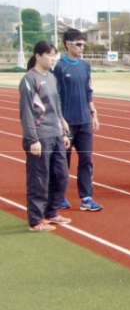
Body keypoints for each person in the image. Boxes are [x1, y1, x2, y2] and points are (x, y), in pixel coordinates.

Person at [20, 41, 72, 231]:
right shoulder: (29, 79)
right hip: (40, 136)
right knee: (39, 179)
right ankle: (35, 220)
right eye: (50, 55)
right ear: (38, 56)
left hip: (55, 134)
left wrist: (61, 127)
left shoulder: (51, 78)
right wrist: (32, 139)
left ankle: (52, 212)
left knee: (62, 176)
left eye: (54, 55)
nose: (53, 59)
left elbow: (56, 106)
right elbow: (26, 112)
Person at [52, 28, 102, 211]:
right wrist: (60, 119)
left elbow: (89, 90)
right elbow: (55, 95)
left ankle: (86, 198)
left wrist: (93, 113)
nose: (82, 47)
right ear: (68, 44)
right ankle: (60, 195)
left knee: (86, 160)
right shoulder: (59, 67)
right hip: (67, 122)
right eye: (78, 44)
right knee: (62, 161)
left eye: (83, 44)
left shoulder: (85, 66)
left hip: (84, 122)